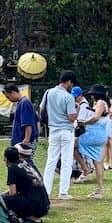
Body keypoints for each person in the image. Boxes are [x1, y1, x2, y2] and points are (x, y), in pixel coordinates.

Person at [40, 70, 78, 201]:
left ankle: (46, 191)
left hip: (53, 130)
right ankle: (63, 192)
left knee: (51, 161)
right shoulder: (68, 97)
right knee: (66, 162)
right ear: (69, 82)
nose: (72, 86)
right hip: (66, 131)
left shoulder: (48, 93)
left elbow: (41, 109)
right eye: (72, 83)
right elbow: (71, 117)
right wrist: (77, 110)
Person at [77, 86, 109, 198]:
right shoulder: (104, 103)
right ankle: (99, 190)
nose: (91, 96)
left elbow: (96, 117)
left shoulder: (100, 102)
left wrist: (84, 122)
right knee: (98, 162)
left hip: (95, 134)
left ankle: (85, 168)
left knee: (73, 146)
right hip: (100, 134)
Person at [3, 145, 49, 223]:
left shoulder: (12, 167)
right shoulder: (26, 164)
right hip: (44, 205)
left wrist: (1, 197)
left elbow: (13, 193)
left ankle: (30, 218)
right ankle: (32, 217)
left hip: (35, 207)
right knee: (7, 197)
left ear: (6, 159)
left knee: (5, 200)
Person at [6, 84, 38, 152]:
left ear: (13, 93)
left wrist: (26, 140)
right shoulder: (21, 103)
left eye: (8, 97)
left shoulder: (24, 103)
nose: (9, 99)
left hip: (25, 142)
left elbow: (28, 124)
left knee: (25, 158)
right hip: (20, 142)